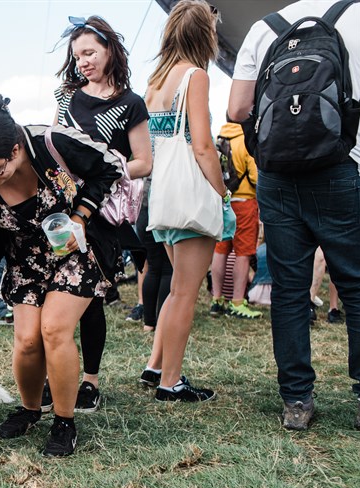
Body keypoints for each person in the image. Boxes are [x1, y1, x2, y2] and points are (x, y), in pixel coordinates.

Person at [0, 95, 123, 456]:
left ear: (15, 150)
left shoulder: (51, 143)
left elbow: (110, 165)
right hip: (25, 259)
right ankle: (31, 408)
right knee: (28, 340)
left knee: (53, 330)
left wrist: (80, 215)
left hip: (72, 251)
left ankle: (65, 421)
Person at [228, 0, 360, 430]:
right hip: (343, 167)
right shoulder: (357, 16)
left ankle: (297, 401)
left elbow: (236, 111)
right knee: (356, 286)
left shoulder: (264, 27)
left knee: (288, 289)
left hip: (277, 175)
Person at [49, 15, 153, 411]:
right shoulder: (65, 96)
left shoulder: (130, 104)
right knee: (54, 293)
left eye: (90, 52)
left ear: (110, 50)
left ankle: (89, 381)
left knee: (90, 297)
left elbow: (145, 161)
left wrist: (107, 165)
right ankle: (55, 376)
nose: (83, 62)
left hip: (103, 215)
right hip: (62, 210)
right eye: (77, 56)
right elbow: (54, 145)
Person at [140, 0, 235, 402]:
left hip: (161, 195)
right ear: (204, 35)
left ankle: (156, 364)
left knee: (176, 287)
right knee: (184, 292)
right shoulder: (195, 76)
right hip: (190, 194)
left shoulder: (155, 79)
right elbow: (201, 146)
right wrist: (222, 190)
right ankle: (171, 382)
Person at [209, 121, 261, 320]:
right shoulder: (246, 140)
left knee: (220, 250)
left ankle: (216, 299)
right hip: (245, 202)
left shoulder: (219, 139)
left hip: (223, 202)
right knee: (243, 253)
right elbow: (256, 177)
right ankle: (238, 302)